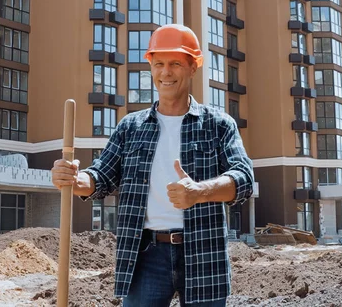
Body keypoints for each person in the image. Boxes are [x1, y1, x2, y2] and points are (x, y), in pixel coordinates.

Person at [51, 24, 255, 307]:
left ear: (193, 67)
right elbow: (101, 176)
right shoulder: (131, 127)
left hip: (204, 252)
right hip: (145, 255)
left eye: (175, 64)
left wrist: (199, 192)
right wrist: (75, 179)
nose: (165, 72)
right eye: (158, 64)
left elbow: (244, 178)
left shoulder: (218, 125)